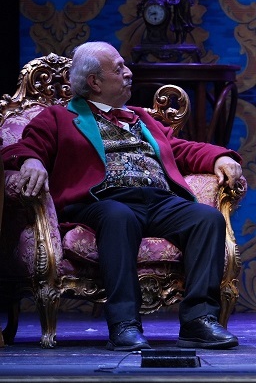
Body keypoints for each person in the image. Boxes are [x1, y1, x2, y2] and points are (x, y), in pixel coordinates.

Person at [1, 41, 242, 351]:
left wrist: (220, 157)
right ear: (94, 82)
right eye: (118, 68)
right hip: (100, 202)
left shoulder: (141, 118)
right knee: (119, 216)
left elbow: (180, 149)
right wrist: (30, 161)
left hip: (156, 200)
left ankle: (199, 320)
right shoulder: (58, 118)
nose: (128, 73)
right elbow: (20, 147)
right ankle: (124, 324)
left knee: (206, 219)